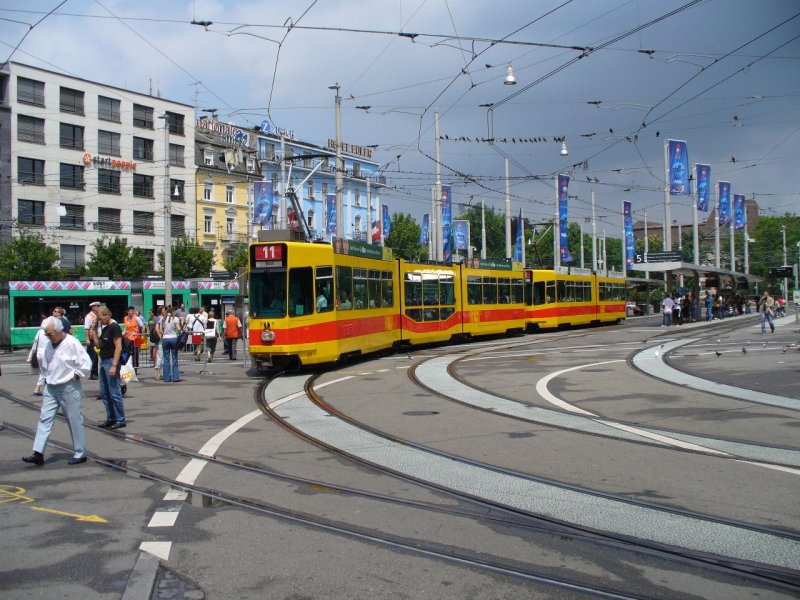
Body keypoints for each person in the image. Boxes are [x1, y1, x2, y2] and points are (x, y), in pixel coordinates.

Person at [22, 316, 92, 467]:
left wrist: (75, 375)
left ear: (59, 330)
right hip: (51, 387)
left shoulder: (72, 342)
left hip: (68, 386)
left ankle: (80, 453)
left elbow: (86, 364)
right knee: (44, 419)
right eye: (46, 334)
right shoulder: (48, 344)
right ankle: (38, 453)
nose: (48, 337)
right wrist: (46, 378)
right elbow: (46, 363)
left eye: (50, 334)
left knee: (74, 420)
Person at [95, 305, 126, 429]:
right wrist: (93, 331)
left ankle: (120, 419)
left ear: (107, 315)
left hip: (111, 361)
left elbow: (118, 347)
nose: (99, 320)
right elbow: (98, 345)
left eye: (100, 317)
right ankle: (111, 418)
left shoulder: (114, 327)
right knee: (104, 392)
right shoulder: (105, 328)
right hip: (103, 361)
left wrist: (114, 365)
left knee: (114, 392)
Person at [160, 306, 182, 382]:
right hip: (173, 338)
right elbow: (179, 329)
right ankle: (175, 377)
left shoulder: (163, 319)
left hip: (165, 339)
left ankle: (166, 377)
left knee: (166, 359)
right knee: (174, 358)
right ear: (173, 312)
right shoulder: (175, 319)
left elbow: (161, 331)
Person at [27, 321, 48, 395]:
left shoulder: (39, 332)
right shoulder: (49, 332)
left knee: (43, 371)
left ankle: (38, 388)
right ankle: (45, 389)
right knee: (47, 371)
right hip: (46, 354)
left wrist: (30, 356)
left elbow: (34, 345)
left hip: (39, 354)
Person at [84, 301, 101, 379]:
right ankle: (93, 374)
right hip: (92, 339)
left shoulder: (97, 316)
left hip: (97, 338)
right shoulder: (89, 316)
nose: (99, 308)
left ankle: (95, 373)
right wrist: (87, 339)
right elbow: (87, 328)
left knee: (96, 356)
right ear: (93, 307)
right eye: (97, 306)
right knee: (93, 356)